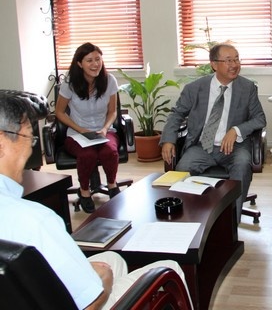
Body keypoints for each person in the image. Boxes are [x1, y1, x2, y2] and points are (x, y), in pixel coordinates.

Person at [0, 92, 190, 309]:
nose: (31, 147)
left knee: (113, 260)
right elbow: (91, 303)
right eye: (29, 137)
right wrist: (104, 281)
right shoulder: (35, 221)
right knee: (170, 267)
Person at [161, 43, 266, 222]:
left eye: (236, 59)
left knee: (242, 165)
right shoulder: (195, 88)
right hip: (201, 146)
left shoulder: (247, 88)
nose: (234, 65)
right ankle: (191, 218)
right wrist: (168, 140)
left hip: (235, 147)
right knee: (183, 169)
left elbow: (259, 119)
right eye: (228, 60)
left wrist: (236, 130)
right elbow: (177, 114)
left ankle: (231, 223)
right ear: (214, 64)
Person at [55, 42, 121, 213]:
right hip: (77, 133)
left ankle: (112, 185)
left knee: (109, 152)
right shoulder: (70, 83)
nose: (95, 64)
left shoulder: (109, 80)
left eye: (98, 59)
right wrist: (80, 129)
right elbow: (59, 112)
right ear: (79, 63)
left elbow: (113, 111)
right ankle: (84, 191)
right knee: (87, 155)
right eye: (89, 60)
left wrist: (105, 128)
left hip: (103, 131)